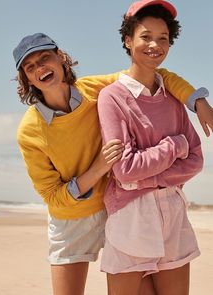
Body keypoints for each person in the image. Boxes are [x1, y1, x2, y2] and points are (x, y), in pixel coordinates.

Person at [12, 28, 211, 294]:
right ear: (26, 79)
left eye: (45, 58)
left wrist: (197, 101)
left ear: (61, 58)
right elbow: (52, 195)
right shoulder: (29, 130)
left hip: (117, 207)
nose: (40, 69)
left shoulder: (94, 88)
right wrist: (99, 168)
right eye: (30, 67)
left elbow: (155, 73)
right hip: (72, 221)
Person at [97, 1, 205, 294]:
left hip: (173, 210)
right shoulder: (112, 97)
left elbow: (195, 160)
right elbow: (125, 168)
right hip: (130, 215)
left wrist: (147, 177)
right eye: (146, 36)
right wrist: (175, 144)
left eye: (163, 38)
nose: (154, 45)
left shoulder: (173, 96)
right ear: (128, 40)